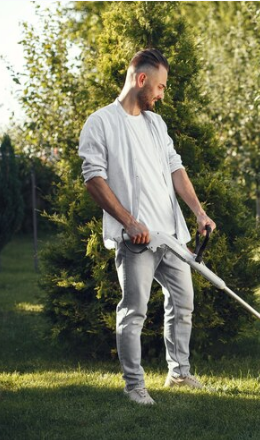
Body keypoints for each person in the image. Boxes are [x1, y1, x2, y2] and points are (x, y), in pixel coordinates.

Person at [78, 48, 216, 405]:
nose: (161, 94)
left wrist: (198, 213)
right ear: (141, 79)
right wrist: (129, 222)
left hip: (170, 236)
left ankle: (179, 374)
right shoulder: (101, 122)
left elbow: (176, 170)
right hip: (135, 238)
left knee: (183, 303)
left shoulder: (157, 124)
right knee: (134, 311)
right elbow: (93, 178)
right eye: (160, 86)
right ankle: (134, 385)